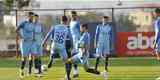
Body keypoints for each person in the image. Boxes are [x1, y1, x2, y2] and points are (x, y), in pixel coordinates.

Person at [42, 16, 72, 80]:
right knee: (66, 62)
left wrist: (43, 42)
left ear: (61, 21)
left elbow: (48, 34)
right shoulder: (67, 28)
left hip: (54, 45)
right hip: (62, 46)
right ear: (66, 21)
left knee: (53, 52)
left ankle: (52, 58)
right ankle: (68, 77)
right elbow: (71, 38)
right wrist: (72, 46)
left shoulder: (55, 27)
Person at [16, 12, 35, 78]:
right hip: (24, 43)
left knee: (32, 56)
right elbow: (16, 29)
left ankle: (29, 71)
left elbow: (33, 32)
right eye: (31, 16)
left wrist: (34, 38)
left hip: (31, 42)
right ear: (28, 16)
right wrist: (21, 37)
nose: (32, 18)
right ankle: (21, 70)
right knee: (24, 57)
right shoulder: (24, 23)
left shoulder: (33, 24)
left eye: (33, 16)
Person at [69, 11, 81, 78]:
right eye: (72, 15)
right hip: (73, 42)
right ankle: (75, 72)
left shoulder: (77, 23)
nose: (73, 16)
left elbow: (80, 32)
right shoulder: (70, 23)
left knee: (75, 56)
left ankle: (75, 72)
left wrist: (80, 41)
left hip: (77, 41)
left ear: (76, 16)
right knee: (73, 56)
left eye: (74, 15)